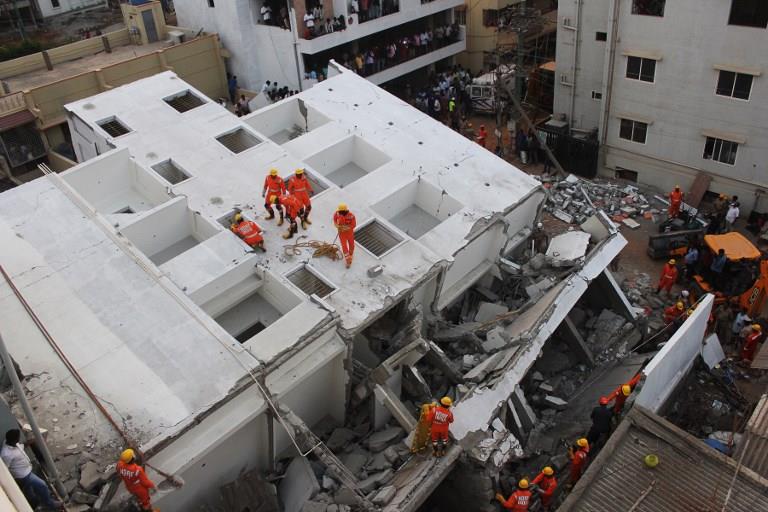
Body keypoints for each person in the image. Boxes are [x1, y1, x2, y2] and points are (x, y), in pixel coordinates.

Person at [1, 429, 62, 510]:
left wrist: (32, 440)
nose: (19, 440)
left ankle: (35, 505)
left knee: (29, 492)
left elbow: (21, 445)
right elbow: (6, 469)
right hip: (23, 475)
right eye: (17, 438)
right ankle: (49, 504)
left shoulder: (12, 443)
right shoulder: (6, 454)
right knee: (42, 485)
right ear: (13, 440)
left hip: (27, 470)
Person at [333, 203, 357, 268]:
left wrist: (346, 228)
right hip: (341, 234)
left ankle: (351, 254)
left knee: (351, 245)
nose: (339, 212)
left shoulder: (351, 216)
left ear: (344, 211)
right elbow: (334, 219)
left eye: (341, 211)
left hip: (349, 233)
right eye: (339, 211)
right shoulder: (337, 213)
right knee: (344, 246)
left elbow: (354, 224)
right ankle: (348, 260)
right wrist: (336, 225)